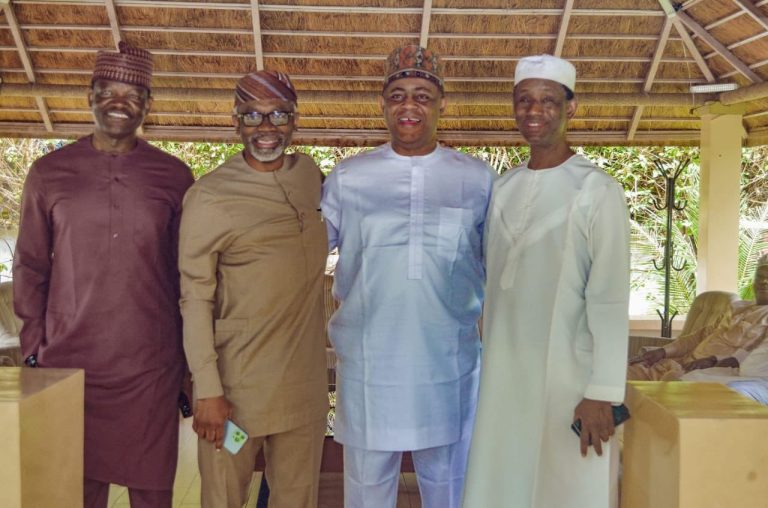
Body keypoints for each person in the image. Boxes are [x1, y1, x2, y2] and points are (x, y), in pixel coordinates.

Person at [12, 42, 194, 508]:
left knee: (152, 493)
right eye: (109, 91)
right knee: (76, 491)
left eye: (133, 94)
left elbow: (187, 275)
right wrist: (34, 348)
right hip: (70, 363)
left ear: (148, 105)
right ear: (89, 96)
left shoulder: (173, 175)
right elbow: (30, 265)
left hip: (150, 365)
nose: (119, 103)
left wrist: (189, 361)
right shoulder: (49, 173)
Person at [321, 45, 494, 508]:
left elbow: (503, 265)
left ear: (441, 104)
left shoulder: (476, 179)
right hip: (369, 363)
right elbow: (304, 255)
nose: (409, 106)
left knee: (450, 487)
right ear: (383, 104)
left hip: (448, 364)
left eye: (422, 95)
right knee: (367, 489)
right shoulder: (349, 177)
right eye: (397, 96)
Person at [462, 54, 631, 508]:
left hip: (569, 377)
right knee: (504, 481)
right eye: (524, 100)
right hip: (503, 374)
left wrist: (602, 391)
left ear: (570, 107)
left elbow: (610, 297)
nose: (534, 110)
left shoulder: (597, 189)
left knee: (566, 486)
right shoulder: (504, 187)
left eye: (548, 100)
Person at [178, 70, 328, 508]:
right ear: (236, 121)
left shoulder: (307, 176)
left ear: (294, 120)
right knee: (224, 497)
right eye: (252, 115)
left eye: (278, 114)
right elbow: (194, 298)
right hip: (235, 392)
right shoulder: (210, 196)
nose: (266, 127)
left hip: (303, 389)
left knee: (297, 499)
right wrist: (208, 390)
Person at [630, 256, 768, 381]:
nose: (764, 282)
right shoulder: (737, 307)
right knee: (623, 376)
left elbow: (754, 356)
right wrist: (663, 351)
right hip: (677, 363)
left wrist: (713, 360)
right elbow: (700, 336)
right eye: (760, 277)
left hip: (706, 373)